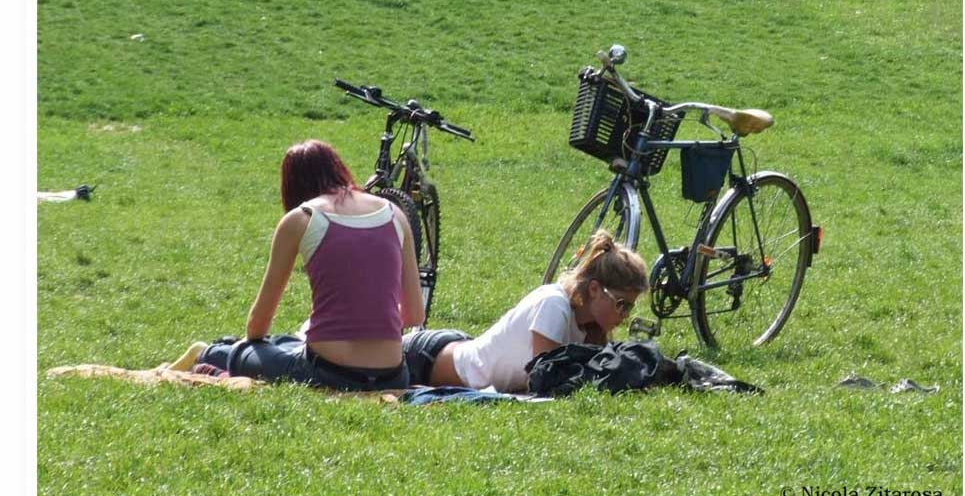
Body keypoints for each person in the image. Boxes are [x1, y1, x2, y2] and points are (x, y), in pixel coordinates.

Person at [181, 139, 424, 391]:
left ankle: (208, 356)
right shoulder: (395, 214)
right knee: (285, 343)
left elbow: (257, 326)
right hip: (393, 375)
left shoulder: (301, 219)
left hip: (328, 373)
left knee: (242, 351)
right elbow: (414, 315)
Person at [402, 230, 649, 393]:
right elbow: (545, 381)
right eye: (622, 303)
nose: (625, 314)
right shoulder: (554, 305)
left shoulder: (588, 327)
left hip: (455, 351)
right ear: (594, 289)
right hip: (421, 359)